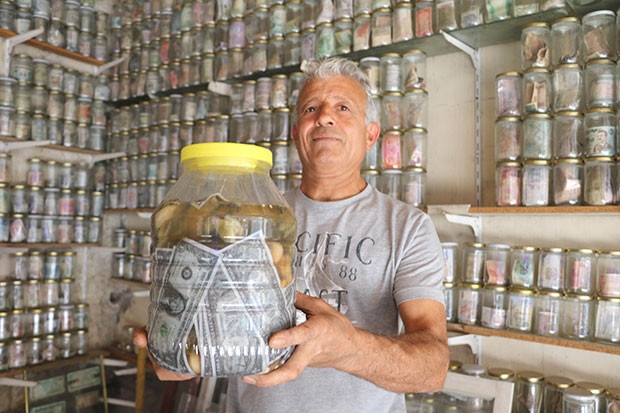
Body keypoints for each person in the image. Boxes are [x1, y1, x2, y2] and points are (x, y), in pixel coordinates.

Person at [134, 57, 449, 412]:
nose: (324, 117)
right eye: (311, 108)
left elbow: (433, 369)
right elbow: (208, 317)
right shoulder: (250, 218)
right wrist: (178, 343)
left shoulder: (407, 227)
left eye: (343, 107)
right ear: (297, 133)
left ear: (371, 135)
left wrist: (348, 349)